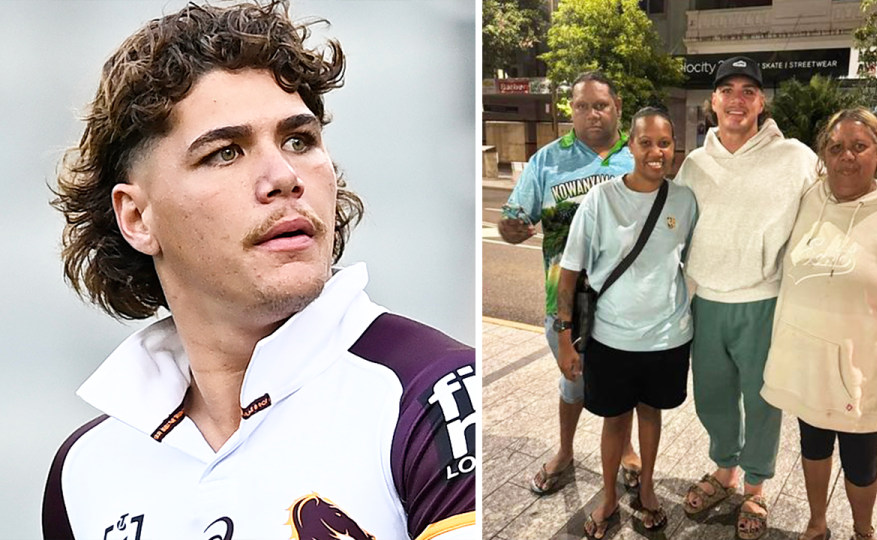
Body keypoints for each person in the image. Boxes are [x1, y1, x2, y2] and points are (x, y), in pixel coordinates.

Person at [41, 3, 475, 539]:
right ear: (137, 216)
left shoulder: (437, 396)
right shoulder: (82, 471)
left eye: (299, 140)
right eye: (225, 152)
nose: (285, 176)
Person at [675, 57, 877, 540]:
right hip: (706, 299)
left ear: (761, 102)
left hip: (764, 300)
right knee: (712, 396)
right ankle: (724, 470)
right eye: (727, 90)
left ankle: (755, 486)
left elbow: (854, 188)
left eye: (748, 91)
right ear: (713, 101)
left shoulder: (797, 157)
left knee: (762, 402)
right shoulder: (694, 164)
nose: (737, 99)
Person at [761, 108, 877, 540]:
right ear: (823, 154)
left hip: (863, 374)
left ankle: (863, 530)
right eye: (836, 147)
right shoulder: (809, 198)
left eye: (859, 147)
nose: (846, 157)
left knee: (861, 464)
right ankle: (817, 522)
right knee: (813, 448)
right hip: (808, 366)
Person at [498, 71, 644, 495]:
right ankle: (565, 451)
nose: (591, 114)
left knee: (623, 382)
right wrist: (512, 227)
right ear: (572, 112)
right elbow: (515, 219)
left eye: (600, 105)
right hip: (564, 302)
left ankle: (629, 449)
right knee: (574, 381)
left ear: (617, 106)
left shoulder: (635, 156)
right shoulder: (547, 160)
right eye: (581, 106)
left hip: (625, 301)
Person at [557, 108, 697, 538]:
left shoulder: (685, 201)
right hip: (611, 338)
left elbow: (688, 262)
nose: (656, 152)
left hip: (667, 336)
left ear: (674, 148)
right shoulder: (601, 199)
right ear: (630, 146)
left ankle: (649, 488)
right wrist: (566, 338)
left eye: (665, 143)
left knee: (651, 412)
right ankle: (608, 496)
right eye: (646, 142)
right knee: (614, 419)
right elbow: (570, 272)